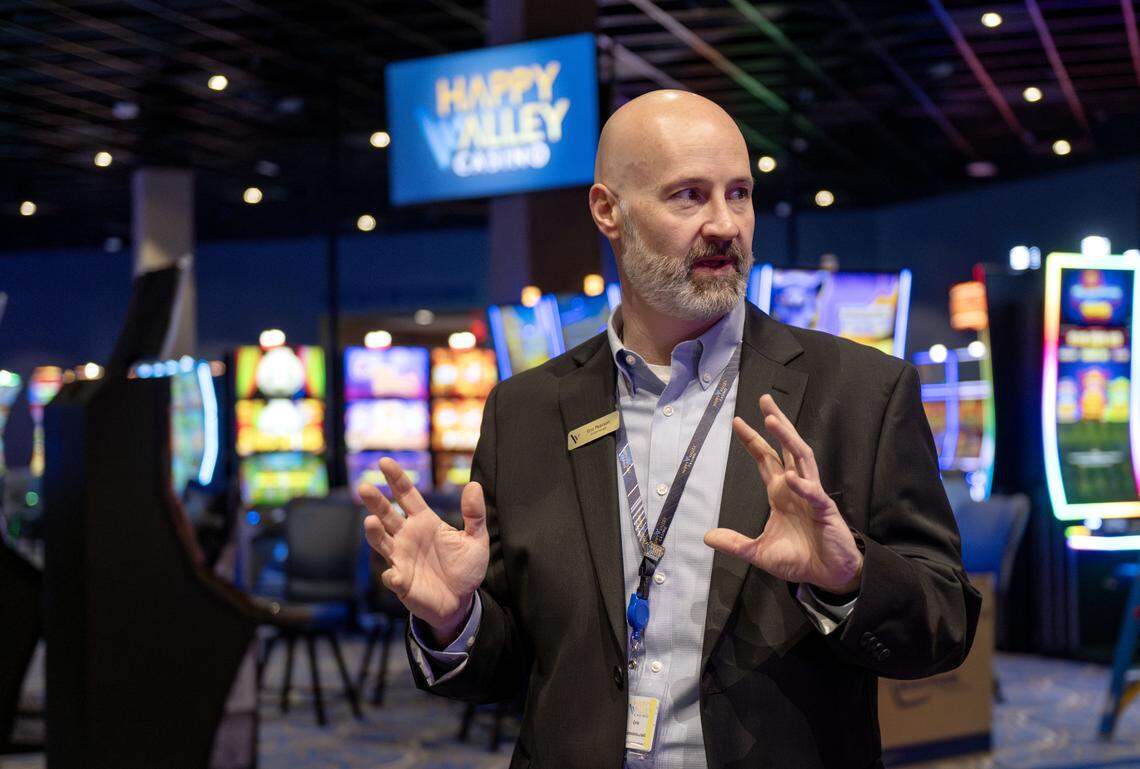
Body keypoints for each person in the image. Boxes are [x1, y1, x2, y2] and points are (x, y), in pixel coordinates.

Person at [363, 89, 981, 769]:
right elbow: (515, 669)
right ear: (608, 210)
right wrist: (455, 618)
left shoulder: (862, 392)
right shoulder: (526, 411)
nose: (726, 224)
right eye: (689, 195)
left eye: (739, 194)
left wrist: (849, 578)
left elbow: (945, 625)